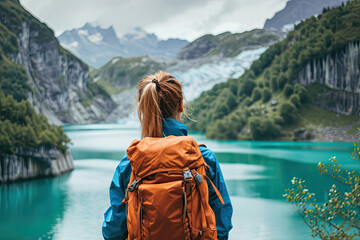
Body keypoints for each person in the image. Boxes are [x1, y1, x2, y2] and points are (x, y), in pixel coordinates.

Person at [102, 71, 233, 240]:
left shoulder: (130, 162)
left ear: (143, 108)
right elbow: (222, 221)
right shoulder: (203, 158)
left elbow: (113, 230)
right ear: (180, 106)